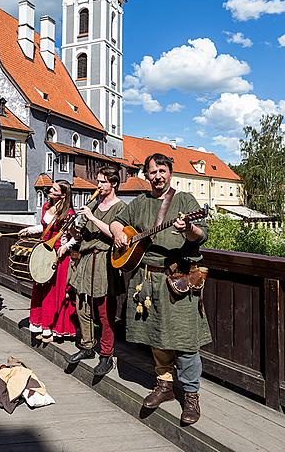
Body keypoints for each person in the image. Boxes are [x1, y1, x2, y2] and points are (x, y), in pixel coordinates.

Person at [110, 153, 211, 425]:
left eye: (162, 171)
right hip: (148, 280)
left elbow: (201, 235)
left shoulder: (185, 201)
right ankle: (165, 384)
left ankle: (190, 395)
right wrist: (118, 231)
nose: (157, 176)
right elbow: (117, 220)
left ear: (170, 172)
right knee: (157, 337)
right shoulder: (141, 202)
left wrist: (188, 227)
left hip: (177, 280)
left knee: (186, 340)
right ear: (146, 175)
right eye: (152, 172)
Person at [67, 166, 126, 376]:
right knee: (82, 305)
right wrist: (76, 225)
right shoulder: (94, 202)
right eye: (98, 182)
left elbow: (114, 234)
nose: (98, 186)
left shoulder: (121, 208)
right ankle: (87, 345)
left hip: (103, 261)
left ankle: (106, 354)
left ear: (114, 184)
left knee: (104, 311)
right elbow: (79, 232)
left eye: (103, 182)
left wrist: (91, 218)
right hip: (85, 258)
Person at [18, 180, 77, 343]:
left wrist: (65, 247)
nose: (50, 190)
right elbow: (44, 227)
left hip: (59, 255)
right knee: (42, 289)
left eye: (54, 189)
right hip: (45, 252)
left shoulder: (69, 214)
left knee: (54, 292)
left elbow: (76, 238)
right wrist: (29, 230)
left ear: (63, 195)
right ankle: (42, 324)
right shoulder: (46, 207)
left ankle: (52, 327)